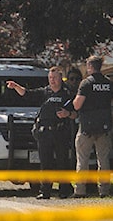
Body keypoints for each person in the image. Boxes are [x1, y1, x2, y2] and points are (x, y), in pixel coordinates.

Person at [7, 67, 76, 199]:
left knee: (63, 162)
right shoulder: (45, 92)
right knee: (45, 163)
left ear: (61, 78)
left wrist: (67, 114)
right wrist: (16, 86)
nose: (53, 80)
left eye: (55, 78)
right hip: (44, 133)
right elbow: (27, 94)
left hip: (61, 131)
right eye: (50, 78)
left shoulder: (68, 93)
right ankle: (45, 191)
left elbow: (75, 113)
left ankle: (64, 190)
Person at [72, 55, 113, 198]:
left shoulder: (86, 84)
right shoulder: (109, 83)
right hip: (104, 128)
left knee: (82, 160)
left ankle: (80, 191)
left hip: (86, 129)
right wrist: (111, 118)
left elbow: (77, 105)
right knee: (104, 160)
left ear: (89, 67)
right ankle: (104, 191)